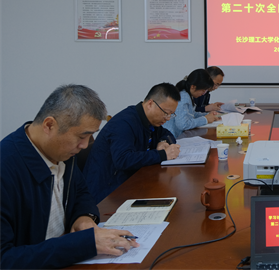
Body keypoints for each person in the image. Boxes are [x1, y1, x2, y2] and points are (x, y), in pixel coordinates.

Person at [0, 85, 139, 270]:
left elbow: (81, 192)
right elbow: (5, 259)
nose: (85, 145)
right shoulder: (6, 168)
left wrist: (84, 217)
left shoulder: (62, 153)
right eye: (82, 136)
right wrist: (81, 245)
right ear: (49, 125)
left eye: (91, 136)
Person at [84, 83, 181, 203]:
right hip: (107, 195)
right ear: (150, 104)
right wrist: (162, 154)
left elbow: (167, 134)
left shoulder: (150, 121)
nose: (168, 118)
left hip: (131, 183)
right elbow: (123, 160)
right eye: (166, 113)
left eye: (171, 114)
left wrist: (163, 141)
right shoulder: (123, 123)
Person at [164, 69, 217, 139]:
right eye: (203, 90)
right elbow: (183, 124)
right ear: (193, 87)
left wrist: (207, 115)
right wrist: (205, 119)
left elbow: (192, 114)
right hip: (172, 137)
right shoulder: (183, 96)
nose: (203, 93)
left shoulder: (188, 95)